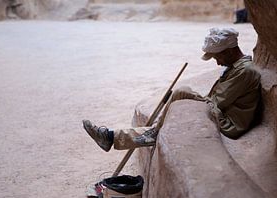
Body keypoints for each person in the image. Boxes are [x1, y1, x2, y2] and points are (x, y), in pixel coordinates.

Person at [83, 27, 261, 152]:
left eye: (217, 57)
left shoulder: (244, 71)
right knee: (182, 93)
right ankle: (115, 136)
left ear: (229, 52)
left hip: (229, 124)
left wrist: (185, 98)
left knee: (181, 92)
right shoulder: (238, 66)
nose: (217, 62)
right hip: (220, 111)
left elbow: (215, 102)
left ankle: (131, 135)